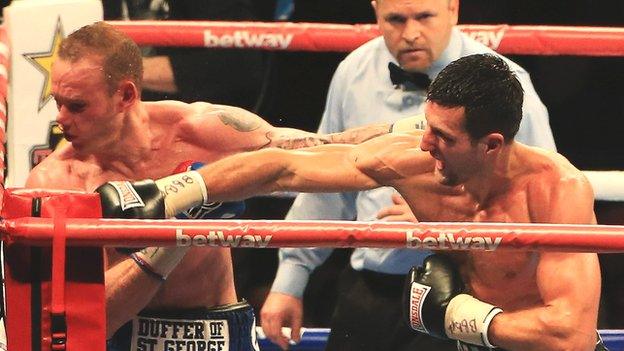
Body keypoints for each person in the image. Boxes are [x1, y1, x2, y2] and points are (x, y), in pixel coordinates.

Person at [102, 54, 604, 351]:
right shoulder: (415, 160)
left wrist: (464, 318)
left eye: (444, 137)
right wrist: (173, 193)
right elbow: (285, 166)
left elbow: (571, 333)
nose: (425, 142)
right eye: (426, 126)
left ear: (492, 145)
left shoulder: (557, 190)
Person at [25, 21, 393, 351]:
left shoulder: (202, 132)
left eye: (77, 105)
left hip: (217, 328)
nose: (61, 119)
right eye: (58, 102)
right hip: (122, 335)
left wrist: (416, 135)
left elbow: (320, 150)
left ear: (125, 96)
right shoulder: (57, 182)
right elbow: (87, 319)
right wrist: (179, 230)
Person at [261, 0, 556, 349]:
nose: (411, 33)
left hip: (467, 290)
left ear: (453, 10)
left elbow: (542, 196)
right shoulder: (354, 72)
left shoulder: (503, 86)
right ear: (376, 13)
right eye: (396, 20)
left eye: (424, 17)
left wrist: (442, 222)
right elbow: (327, 185)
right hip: (371, 286)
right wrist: (289, 281)